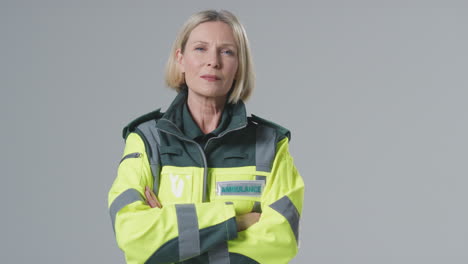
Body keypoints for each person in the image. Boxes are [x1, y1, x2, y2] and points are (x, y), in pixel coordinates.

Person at [108, 9, 304, 264]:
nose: (213, 61)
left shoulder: (270, 145)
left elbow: (282, 240)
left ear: (239, 66)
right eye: (200, 48)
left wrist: (175, 241)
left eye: (227, 51)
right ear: (180, 59)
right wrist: (235, 221)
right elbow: (132, 233)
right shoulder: (147, 140)